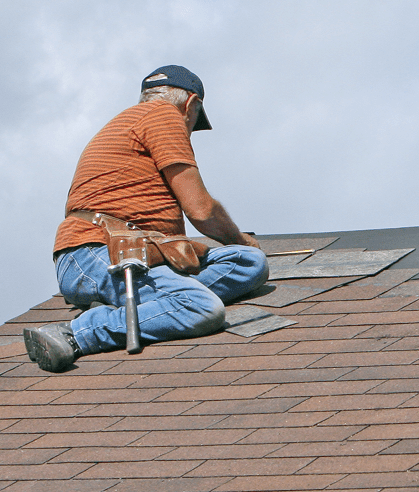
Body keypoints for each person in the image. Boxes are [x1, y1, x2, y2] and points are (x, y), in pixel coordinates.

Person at [22, 65, 268, 371]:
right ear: (191, 104)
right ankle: (76, 333)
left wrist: (244, 249)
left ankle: (143, 305)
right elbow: (201, 211)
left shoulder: (130, 122)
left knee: (248, 263)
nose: (189, 130)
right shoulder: (164, 115)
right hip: (96, 253)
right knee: (202, 308)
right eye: (194, 122)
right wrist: (243, 239)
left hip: (131, 251)